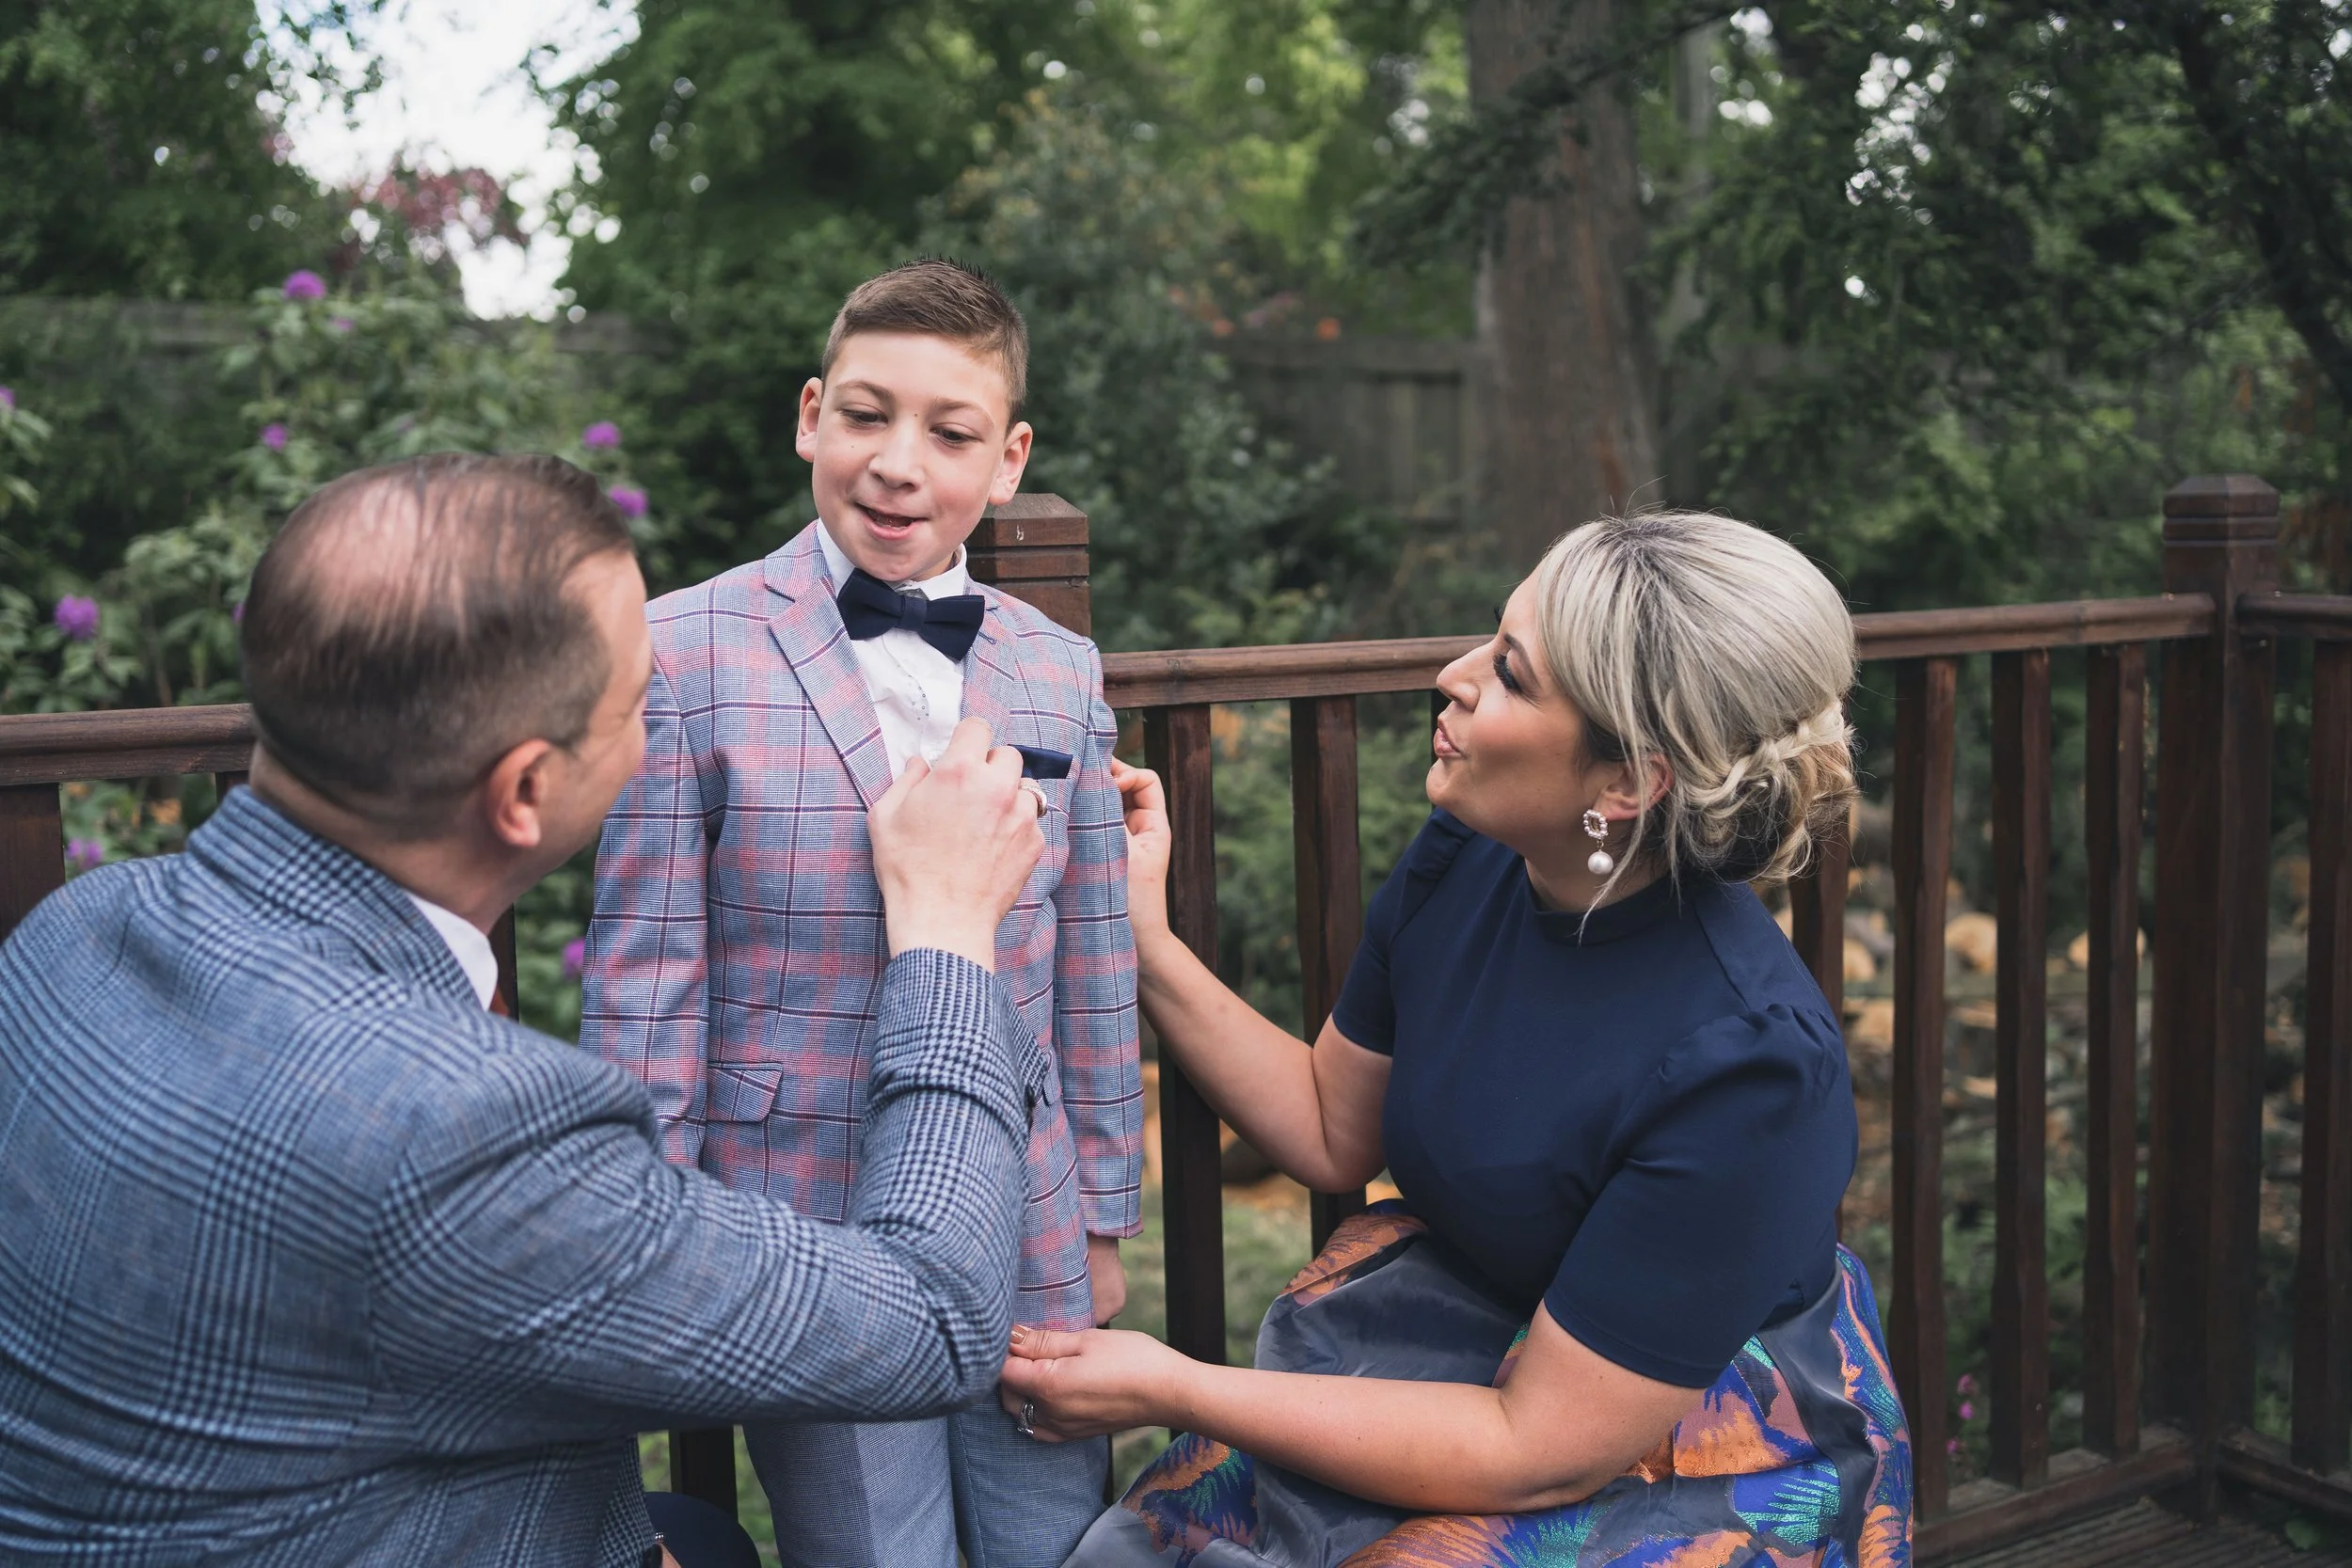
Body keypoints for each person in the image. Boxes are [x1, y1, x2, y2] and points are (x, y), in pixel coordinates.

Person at [0, 453, 1057, 1568]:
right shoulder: (465, 1134)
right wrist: (945, 929)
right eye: (637, 702)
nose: (656, 726)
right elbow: (932, 1319)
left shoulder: (77, 928)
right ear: (523, 793)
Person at [1002, 512, 1915, 1567]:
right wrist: (1144, 939)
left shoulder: (1750, 1069)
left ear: (1628, 784)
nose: (1451, 674)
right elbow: (1328, 1123)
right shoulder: (1471, 855)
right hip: (1472, 1356)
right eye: (1490, 637)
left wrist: (1167, 1382)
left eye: (1513, 676)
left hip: (1676, 1436)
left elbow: (1539, 1450)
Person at [581, 258, 1142, 1568]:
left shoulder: (1057, 668)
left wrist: (1105, 1212)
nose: (898, 463)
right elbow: (646, 980)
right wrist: (651, 1233)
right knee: (873, 1546)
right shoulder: (684, 651)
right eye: (865, 416)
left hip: (1029, 1213)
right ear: (809, 416)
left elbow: (1095, 958)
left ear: (1007, 461)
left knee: (1051, 1536)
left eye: (948, 434)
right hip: (802, 1225)